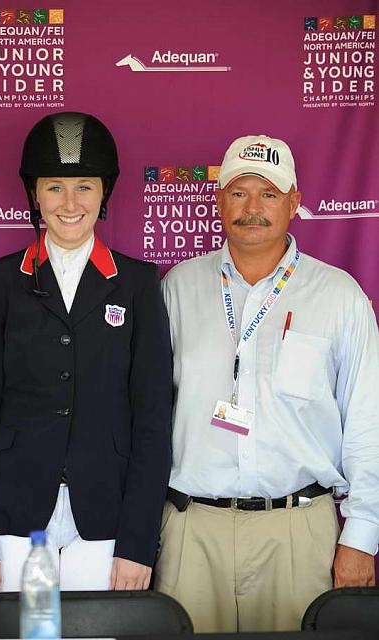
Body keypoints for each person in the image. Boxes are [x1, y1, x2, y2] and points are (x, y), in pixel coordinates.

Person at [155, 135, 379, 632]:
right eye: (239, 192)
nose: (252, 208)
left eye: (270, 194)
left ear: (294, 202)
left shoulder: (339, 296)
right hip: (193, 532)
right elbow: (146, 414)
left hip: (300, 533)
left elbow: (368, 423)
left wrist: (361, 536)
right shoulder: (178, 288)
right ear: (218, 199)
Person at [0, 111, 172, 595]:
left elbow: (153, 421)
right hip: (20, 515)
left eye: (84, 186)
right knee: (37, 631)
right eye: (55, 187)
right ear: (34, 193)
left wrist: (137, 542)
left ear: (104, 192)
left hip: (106, 516)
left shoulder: (137, 283)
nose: (70, 203)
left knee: (96, 631)